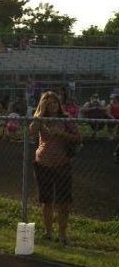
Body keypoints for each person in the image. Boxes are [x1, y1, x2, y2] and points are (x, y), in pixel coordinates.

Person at [29, 91, 81, 245]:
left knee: (63, 202)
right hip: (42, 164)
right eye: (48, 103)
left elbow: (78, 138)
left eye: (54, 103)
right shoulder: (40, 119)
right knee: (46, 201)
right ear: (43, 104)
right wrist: (39, 116)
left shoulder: (65, 119)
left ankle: (62, 235)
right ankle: (48, 232)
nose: (52, 106)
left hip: (61, 165)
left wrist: (62, 133)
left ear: (59, 104)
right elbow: (31, 132)